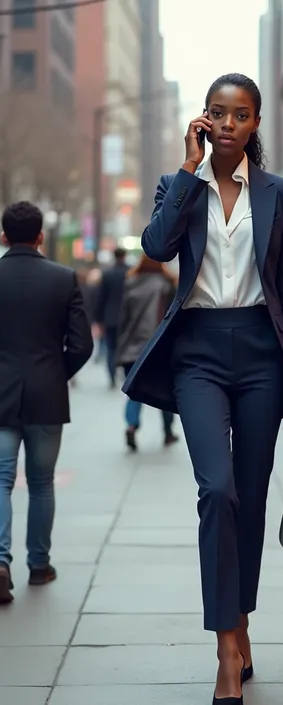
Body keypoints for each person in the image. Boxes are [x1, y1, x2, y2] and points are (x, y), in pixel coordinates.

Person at [123, 73, 283, 704]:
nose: (229, 123)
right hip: (199, 354)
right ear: (204, 120)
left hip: (264, 355)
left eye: (241, 115)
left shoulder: (279, 193)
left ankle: (241, 624)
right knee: (217, 491)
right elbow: (156, 246)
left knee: (252, 501)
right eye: (218, 113)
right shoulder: (179, 187)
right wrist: (189, 169)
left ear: (256, 123)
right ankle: (225, 651)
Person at [0, 202, 93, 604]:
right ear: (40, 236)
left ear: (4, 236)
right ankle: (39, 565)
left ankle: (0, 562)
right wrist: (57, 372)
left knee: (1, 480)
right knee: (41, 483)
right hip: (46, 393)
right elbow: (83, 344)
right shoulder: (63, 278)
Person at [117, 254, 179, 450]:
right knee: (165, 391)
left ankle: (131, 426)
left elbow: (123, 320)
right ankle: (168, 432)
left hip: (131, 348)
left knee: (134, 392)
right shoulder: (167, 284)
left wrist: (119, 349)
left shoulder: (130, 283)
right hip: (158, 348)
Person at [96, 247, 129, 388]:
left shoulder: (107, 274)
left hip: (110, 317)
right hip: (127, 317)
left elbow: (101, 298)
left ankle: (112, 377)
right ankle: (126, 376)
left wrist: (98, 319)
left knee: (111, 348)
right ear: (124, 256)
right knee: (127, 347)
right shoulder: (130, 273)